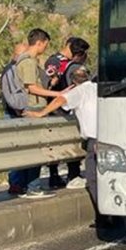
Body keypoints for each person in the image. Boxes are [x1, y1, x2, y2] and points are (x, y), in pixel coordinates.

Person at [24, 67, 101, 220]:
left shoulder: (78, 92)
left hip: (95, 141)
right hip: (110, 138)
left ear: (73, 81)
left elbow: (61, 100)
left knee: (93, 179)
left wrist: (40, 113)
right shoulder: (98, 88)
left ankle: (103, 216)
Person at [5, 28, 63, 195]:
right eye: (45, 44)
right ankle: (33, 187)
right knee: (36, 151)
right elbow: (32, 88)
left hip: (30, 108)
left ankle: (26, 186)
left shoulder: (25, 61)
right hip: (33, 108)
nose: (45, 48)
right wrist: (57, 94)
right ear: (40, 42)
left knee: (31, 150)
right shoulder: (29, 62)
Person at [43, 37, 90, 189]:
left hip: (52, 108)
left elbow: (47, 83)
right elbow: (80, 86)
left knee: (54, 145)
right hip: (67, 109)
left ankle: (54, 176)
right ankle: (73, 174)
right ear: (80, 54)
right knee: (73, 142)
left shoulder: (52, 61)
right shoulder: (74, 66)